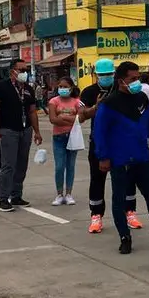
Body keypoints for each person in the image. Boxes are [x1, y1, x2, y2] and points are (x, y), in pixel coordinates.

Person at [92, 60, 149, 254]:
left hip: (142, 158)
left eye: (138, 78)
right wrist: (103, 157)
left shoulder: (141, 97)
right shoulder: (109, 105)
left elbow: (148, 121)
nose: (136, 82)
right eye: (132, 79)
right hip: (120, 161)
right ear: (120, 81)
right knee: (119, 200)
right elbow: (100, 133)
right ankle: (125, 237)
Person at [79, 58, 141, 233]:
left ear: (115, 75)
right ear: (96, 75)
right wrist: (95, 108)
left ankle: (130, 212)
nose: (106, 77)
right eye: (102, 75)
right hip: (100, 143)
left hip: (122, 144)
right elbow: (81, 116)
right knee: (97, 179)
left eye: (109, 74)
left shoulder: (122, 89)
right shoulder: (89, 92)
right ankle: (96, 215)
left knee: (128, 180)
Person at [0, 60, 42, 211]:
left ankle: (16, 195)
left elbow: (32, 111)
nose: (24, 73)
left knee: (21, 164)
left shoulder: (28, 89)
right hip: (8, 130)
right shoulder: (1, 87)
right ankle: (3, 199)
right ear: (12, 71)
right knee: (8, 165)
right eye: (21, 70)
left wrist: (37, 131)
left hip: (25, 130)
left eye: (26, 70)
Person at [48, 76, 81, 206]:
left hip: (72, 137)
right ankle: (59, 194)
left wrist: (62, 117)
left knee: (71, 166)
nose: (62, 89)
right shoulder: (53, 101)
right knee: (60, 166)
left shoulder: (77, 102)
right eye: (60, 86)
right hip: (58, 137)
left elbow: (81, 118)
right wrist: (71, 119)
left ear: (71, 88)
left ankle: (69, 193)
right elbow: (53, 119)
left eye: (65, 86)